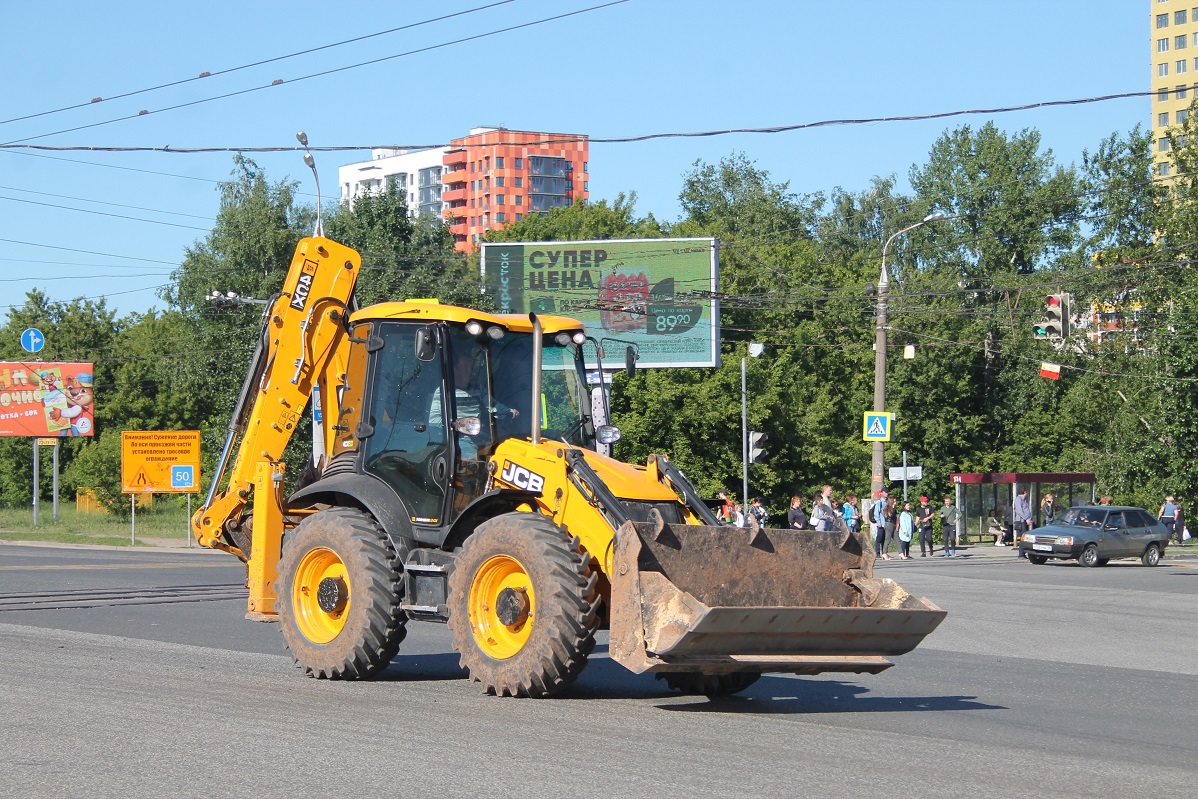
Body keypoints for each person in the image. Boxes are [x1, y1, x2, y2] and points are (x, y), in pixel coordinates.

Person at [1012, 487, 1033, 559]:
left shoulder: (1024, 500)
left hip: (1025, 520)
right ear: (1024, 492)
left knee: (1026, 537)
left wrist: (1029, 518)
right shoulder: (1018, 499)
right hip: (1021, 521)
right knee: (1023, 537)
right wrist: (1026, 518)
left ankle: (1024, 553)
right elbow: (1019, 511)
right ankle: (1021, 554)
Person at [871, 489, 889, 555]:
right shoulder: (879, 502)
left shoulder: (887, 502)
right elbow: (876, 513)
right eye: (885, 492)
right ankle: (877, 552)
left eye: (887, 492)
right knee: (879, 537)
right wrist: (878, 522)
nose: (887, 493)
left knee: (885, 538)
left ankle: (884, 552)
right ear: (882, 493)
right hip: (881, 523)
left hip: (886, 523)